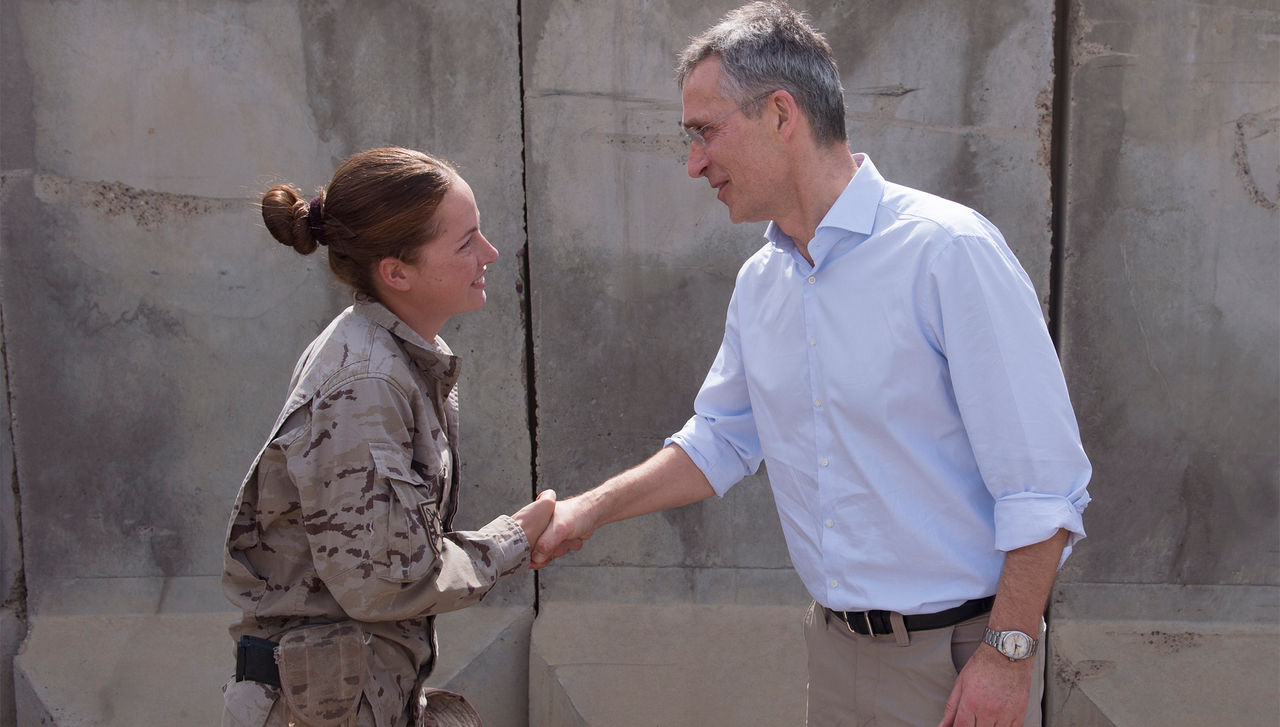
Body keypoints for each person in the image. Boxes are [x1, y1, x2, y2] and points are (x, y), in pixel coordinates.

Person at [531, 3, 1092, 726]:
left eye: (704, 132)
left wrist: (1008, 655)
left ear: (781, 114)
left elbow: (1043, 488)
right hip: (832, 654)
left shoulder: (948, 252)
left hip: (958, 666)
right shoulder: (762, 283)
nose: (694, 163)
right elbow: (722, 440)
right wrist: (589, 510)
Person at [220, 147, 554, 727]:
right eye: (465, 242)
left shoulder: (394, 359)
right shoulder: (367, 382)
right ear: (396, 272)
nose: (490, 254)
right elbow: (382, 580)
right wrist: (510, 543)